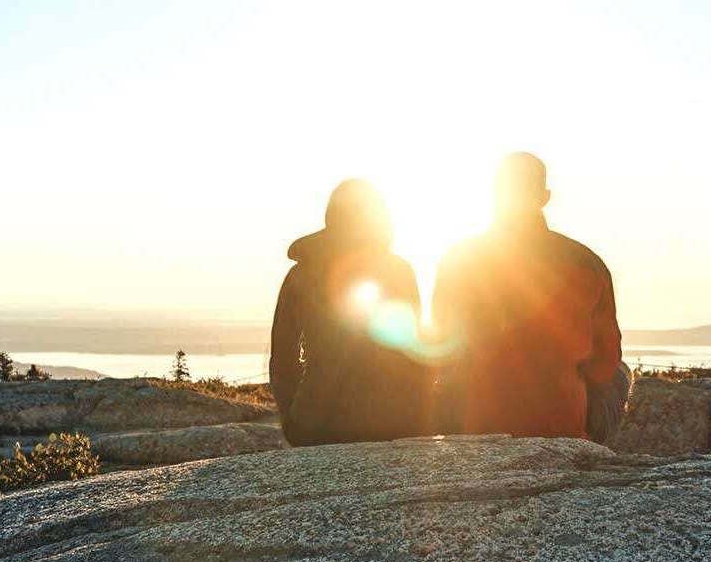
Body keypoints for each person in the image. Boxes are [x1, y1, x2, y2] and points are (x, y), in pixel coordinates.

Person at [432, 153, 630, 442]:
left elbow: (439, 349)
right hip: (562, 428)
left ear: (495, 194)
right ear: (544, 197)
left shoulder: (458, 261)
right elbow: (606, 361)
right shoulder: (589, 264)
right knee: (621, 373)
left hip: (474, 425)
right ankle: (590, 454)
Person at [270, 179, 430, 446]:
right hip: (393, 422)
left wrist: (294, 421)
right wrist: (418, 420)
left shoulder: (301, 275)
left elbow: (282, 362)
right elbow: (416, 356)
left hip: (320, 423)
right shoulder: (399, 271)